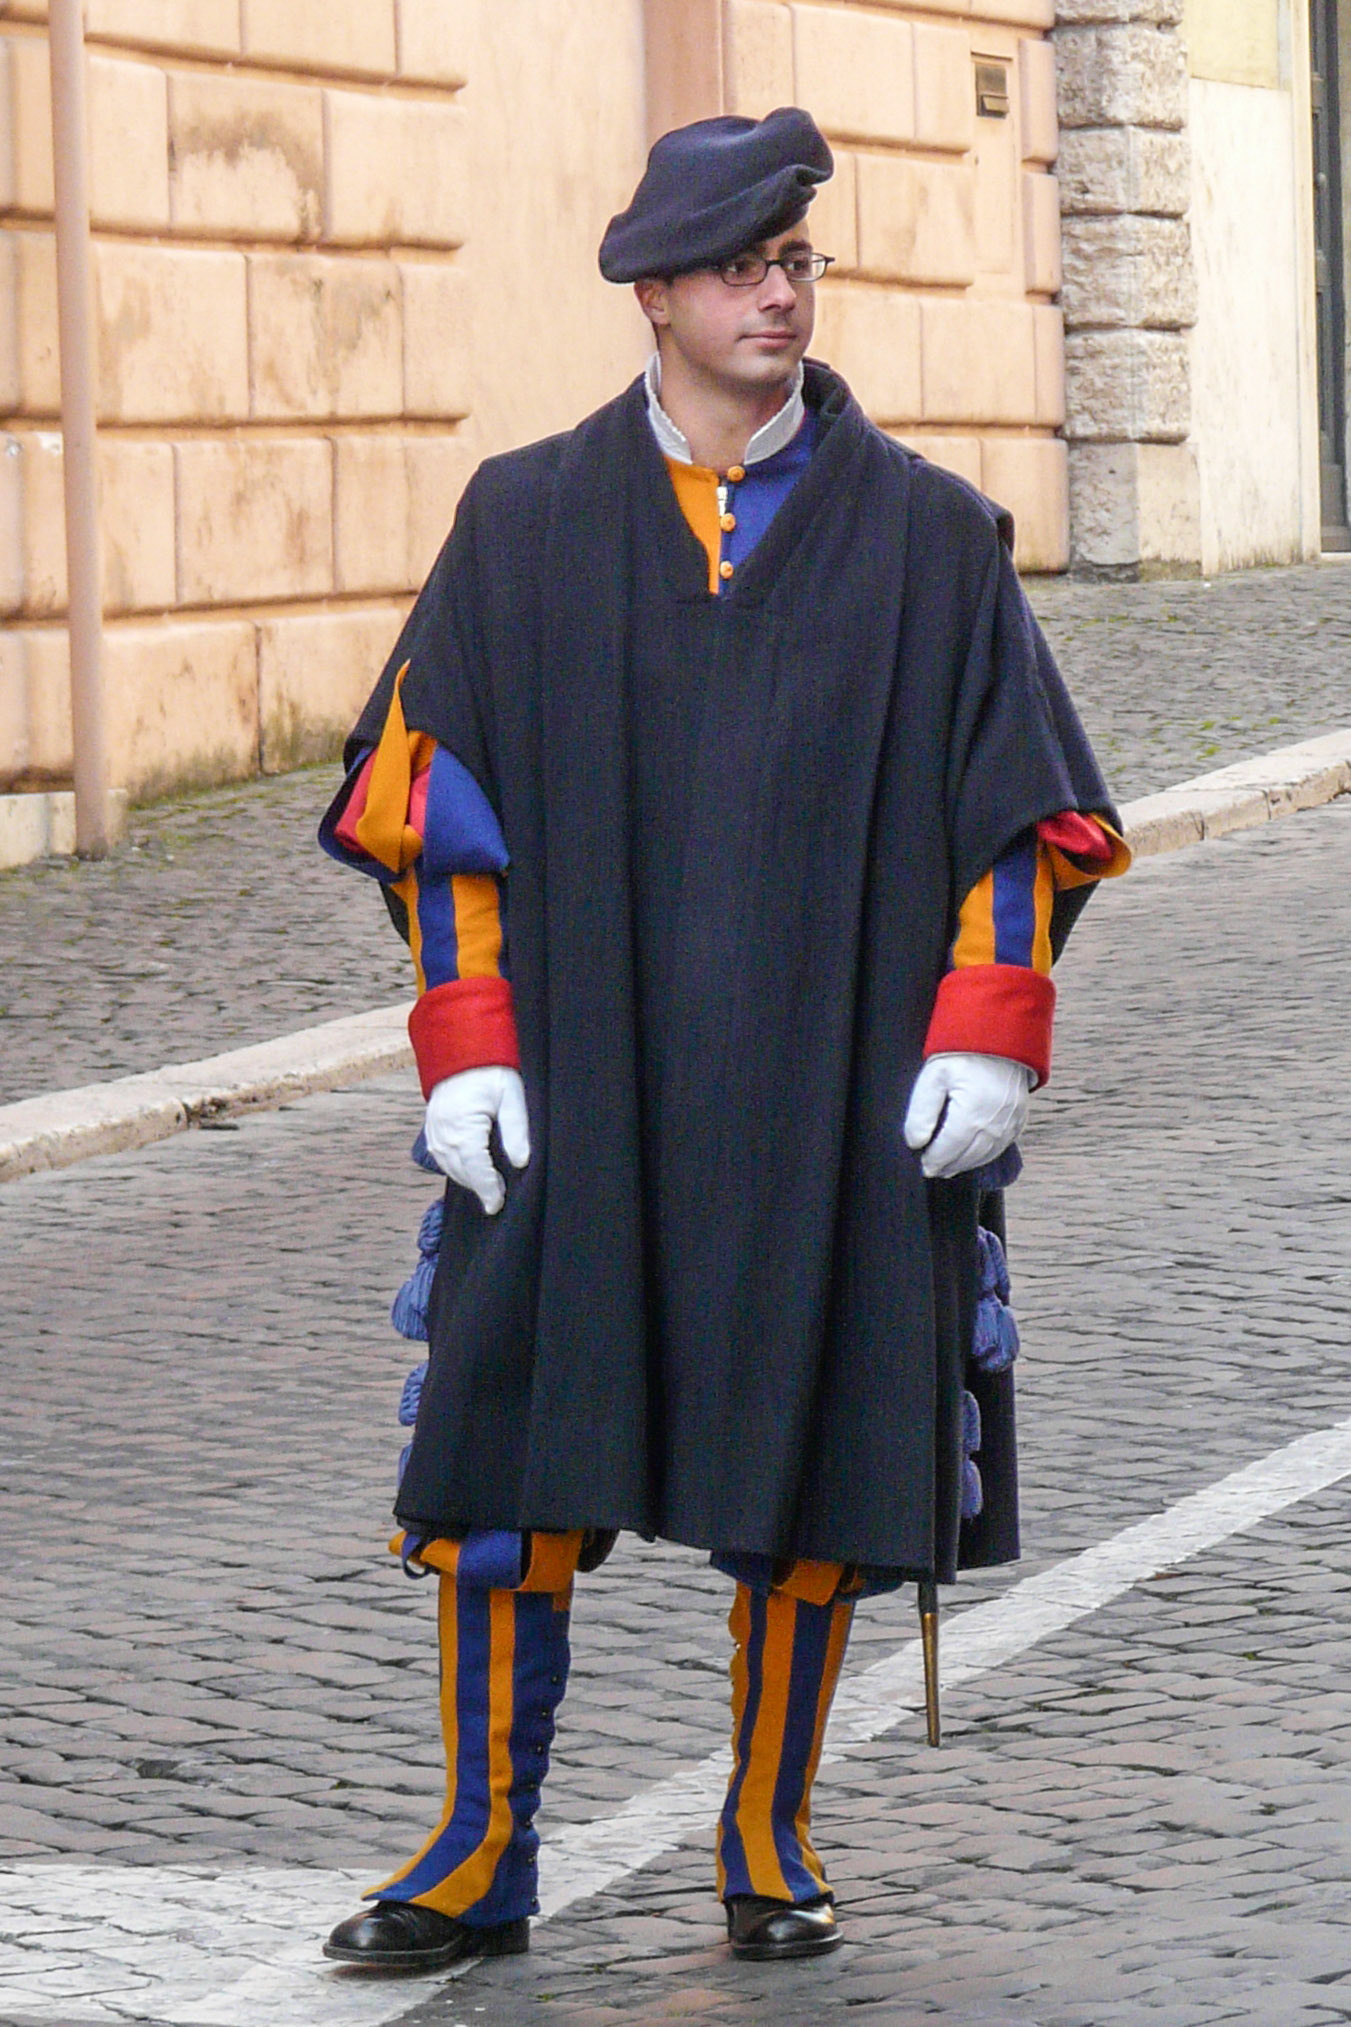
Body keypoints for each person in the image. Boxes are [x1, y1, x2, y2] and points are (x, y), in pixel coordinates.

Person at [317, 106, 1129, 1974]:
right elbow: (431, 800)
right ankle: (476, 1851)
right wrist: (469, 1045)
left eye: (798, 262)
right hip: (578, 1092)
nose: (782, 293)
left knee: (820, 1467)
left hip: (831, 1090)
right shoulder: (523, 521)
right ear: (656, 295)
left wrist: (987, 1030)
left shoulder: (931, 538)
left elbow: (1020, 814)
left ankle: (769, 1831)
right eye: (745, 266)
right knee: (503, 1468)